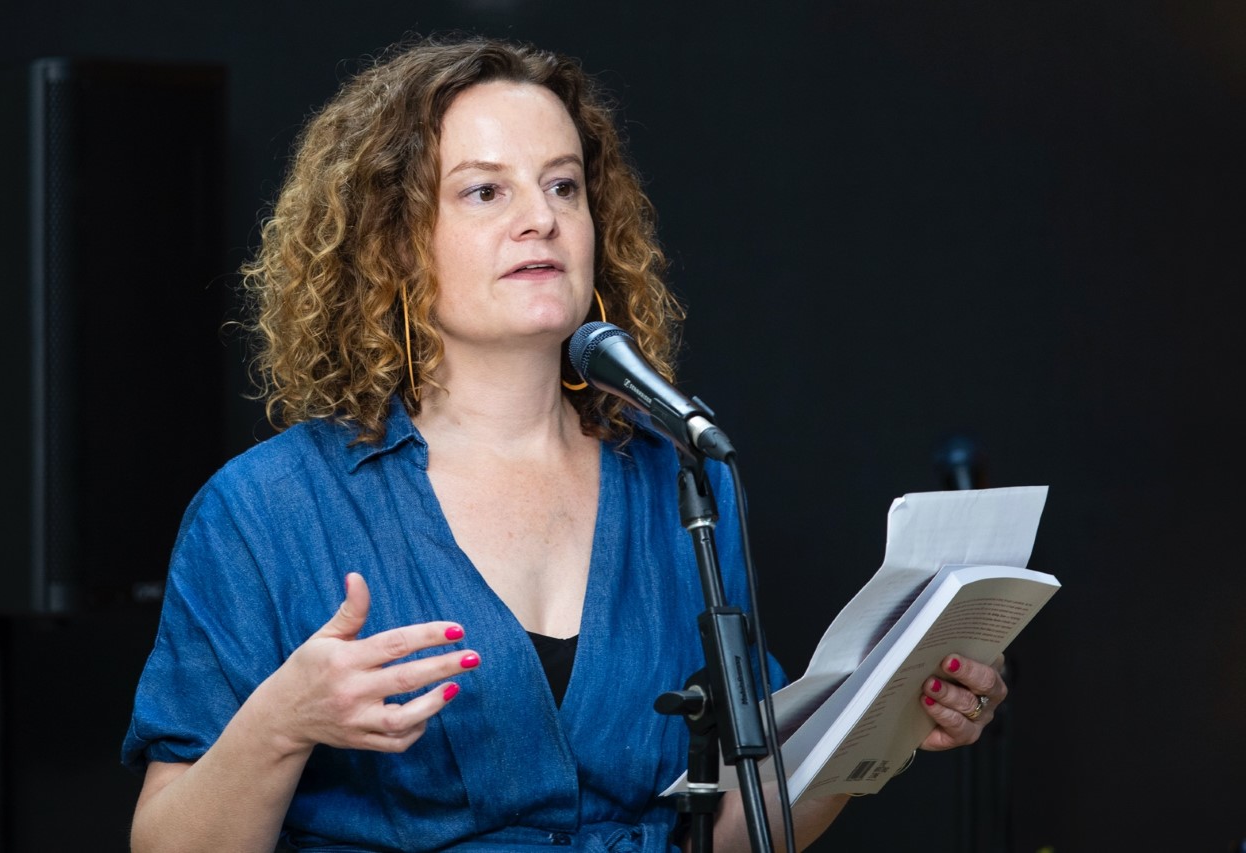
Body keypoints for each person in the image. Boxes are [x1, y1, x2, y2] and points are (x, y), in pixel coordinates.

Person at [122, 34, 1010, 853]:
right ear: (393, 245)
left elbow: (735, 829)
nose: (539, 219)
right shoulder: (266, 510)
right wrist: (284, 719)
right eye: (484, 190)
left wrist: (885, 721)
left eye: (563, 184)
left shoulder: (681, 475)